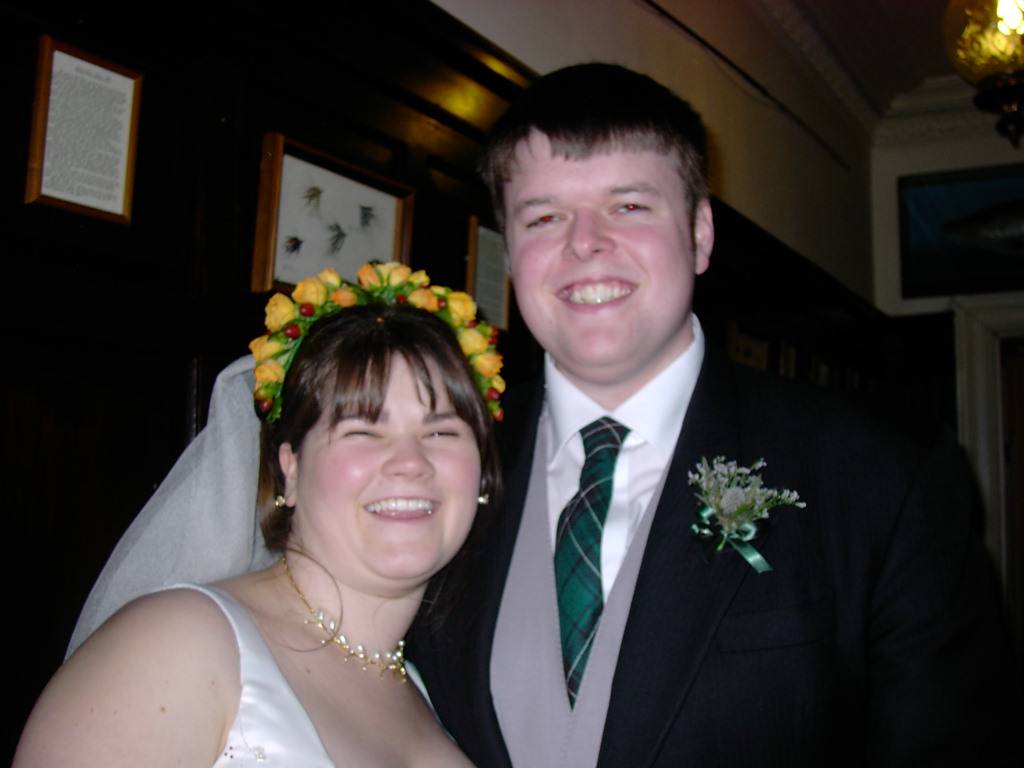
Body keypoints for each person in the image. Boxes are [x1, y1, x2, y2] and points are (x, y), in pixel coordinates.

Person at [407, 63, 1020, 766]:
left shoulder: (885, 473)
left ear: (699, 233)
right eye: (544, 217)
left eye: (629, 206)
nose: (584, 244)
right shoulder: (442, 463)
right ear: (510, 251)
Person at [14, 263, 503, 766]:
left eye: (442, 432)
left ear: (482, 475)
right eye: (363, 431)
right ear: (289, 468)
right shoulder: (179, 645)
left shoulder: (435, 695)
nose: (410, 463)